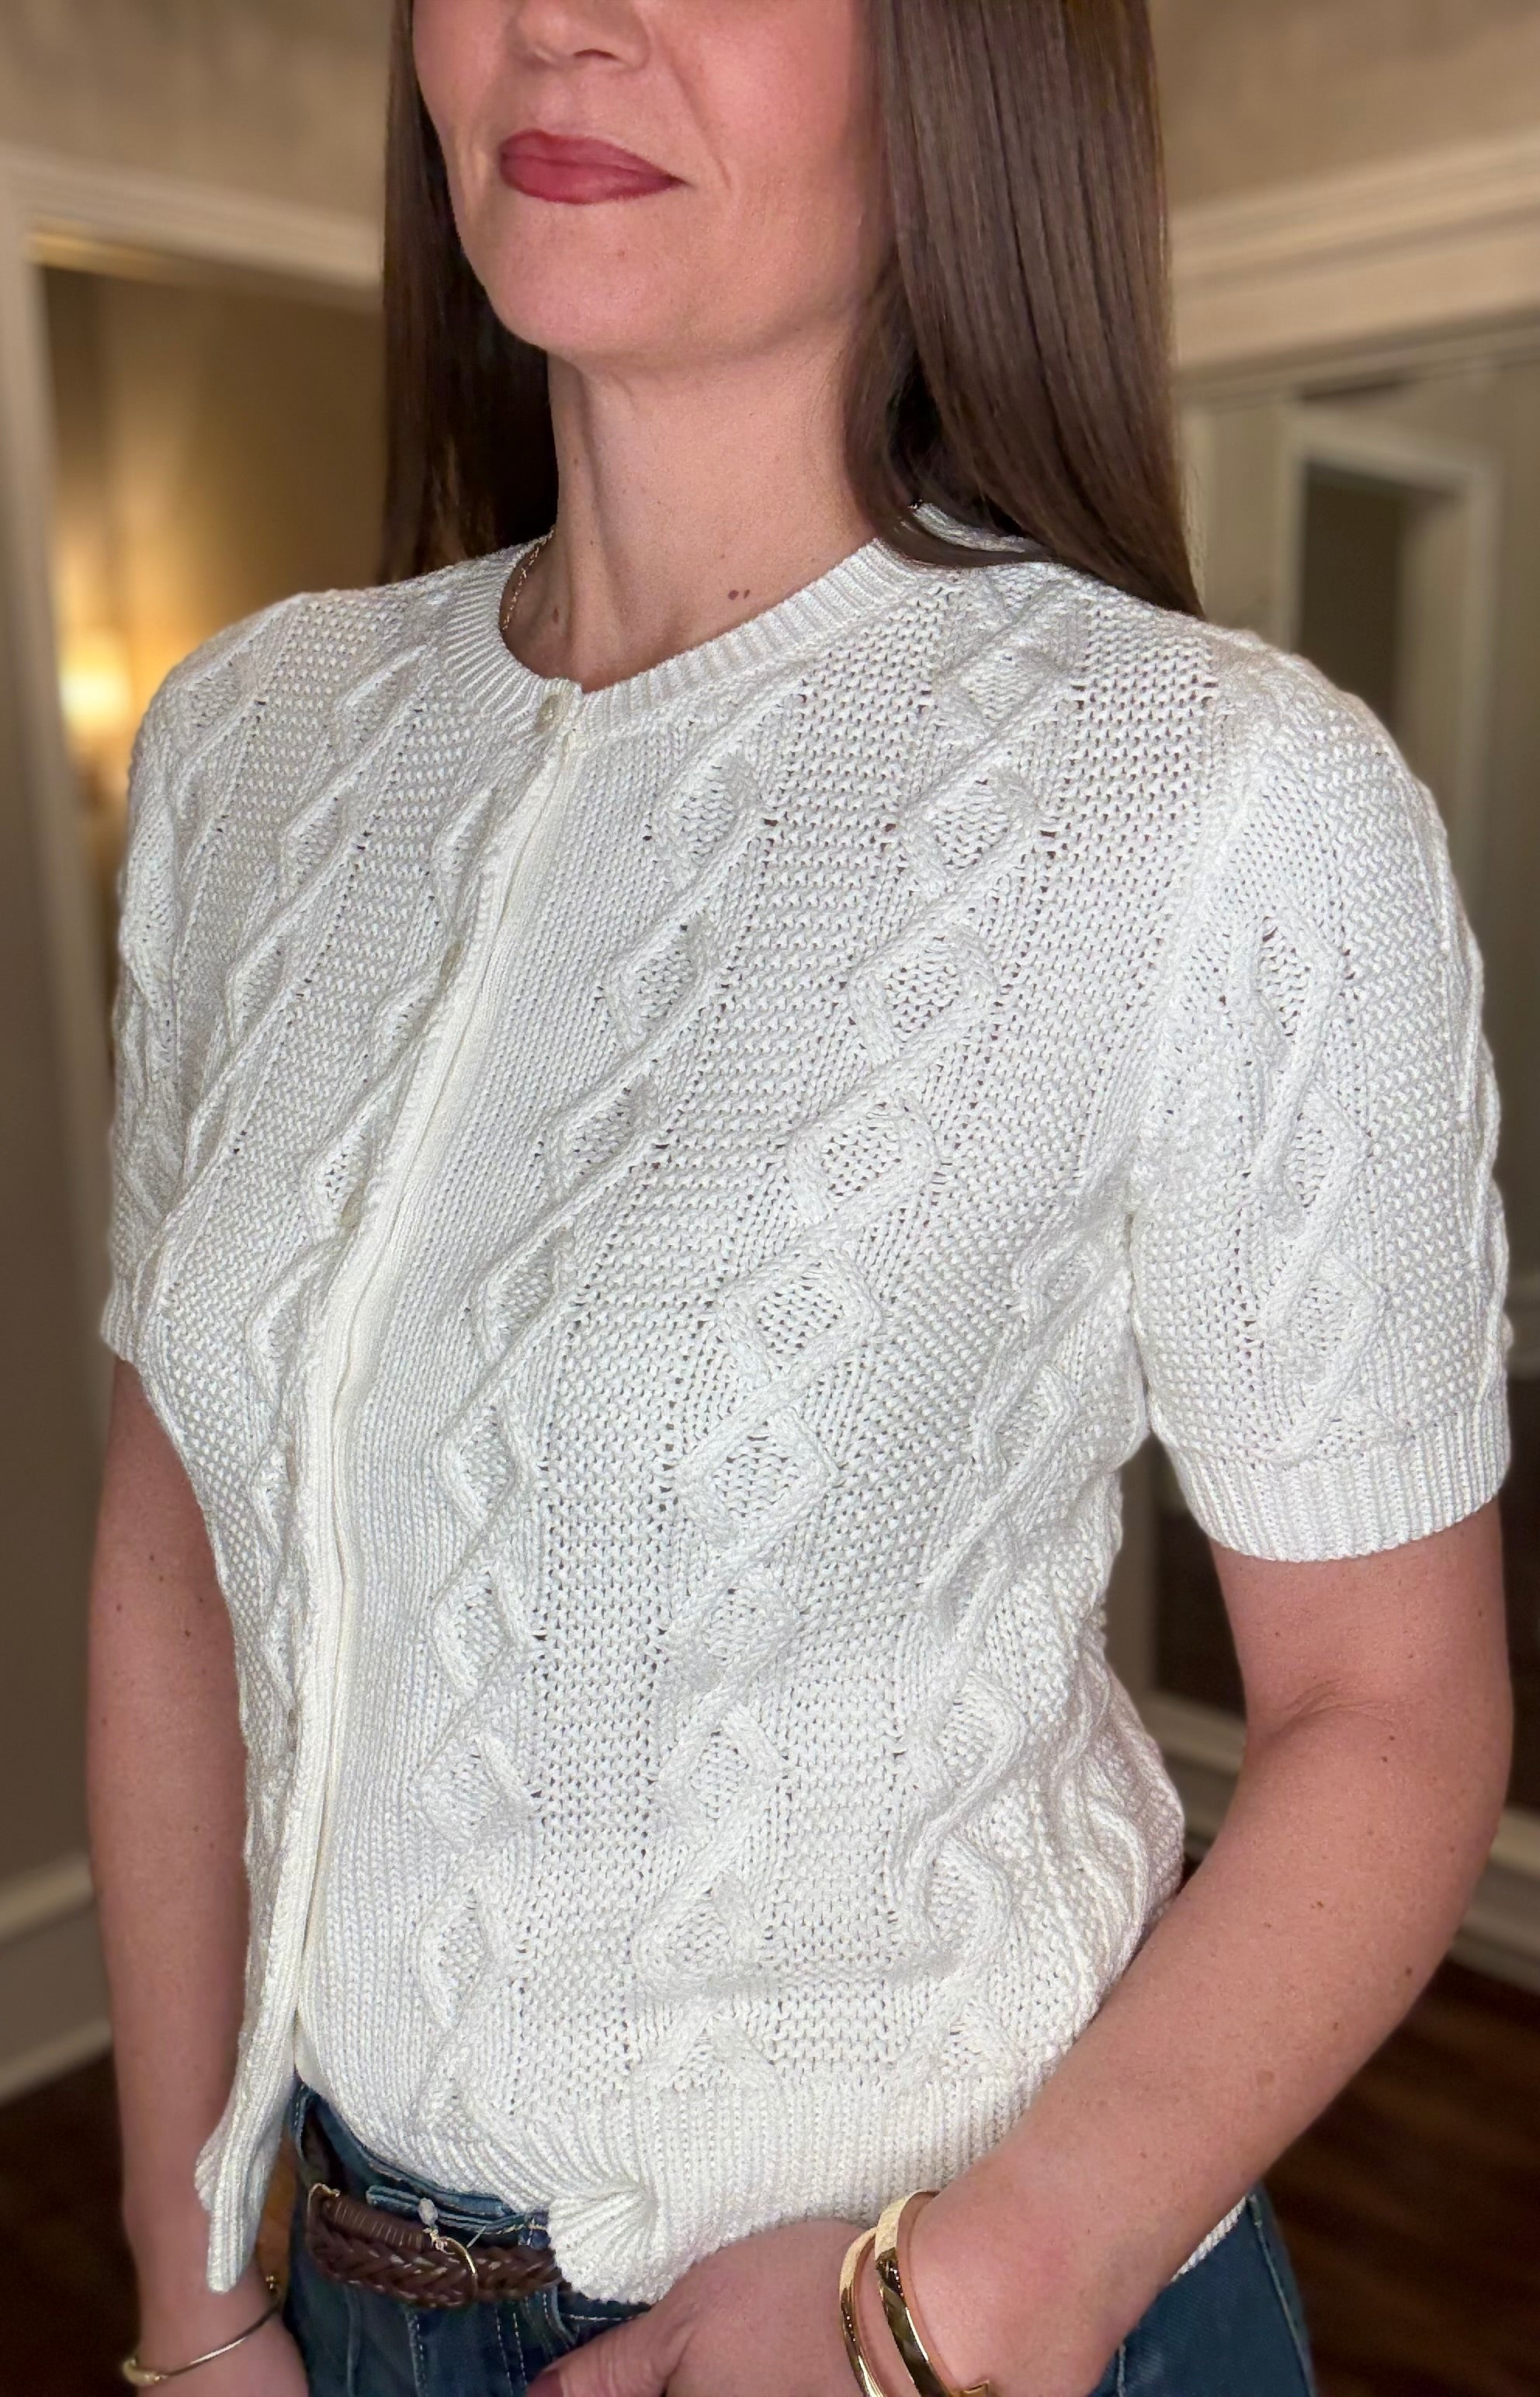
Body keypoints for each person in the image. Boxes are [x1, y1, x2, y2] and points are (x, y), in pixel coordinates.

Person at [89, 2, 1516, 2392]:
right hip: (327, 2297)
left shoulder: (1214, 795)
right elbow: (172, 1550)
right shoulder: (252, 748)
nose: (565, 21)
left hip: (940, 2308)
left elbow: (1392, 1707)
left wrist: (965, 2297)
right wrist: (188, 2275)